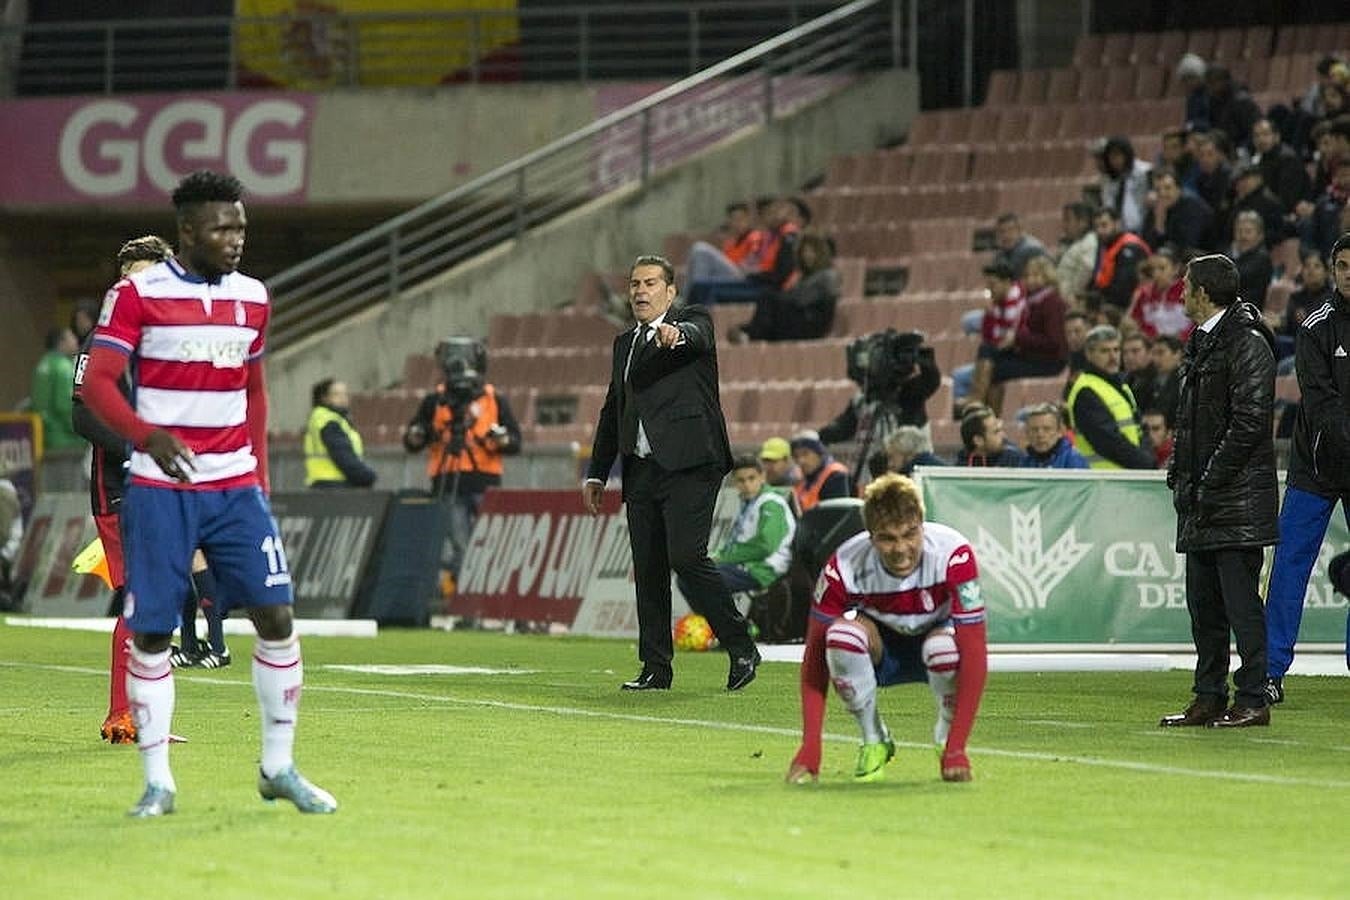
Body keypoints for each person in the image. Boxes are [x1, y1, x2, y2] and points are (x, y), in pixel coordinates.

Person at [81, 170, 336, 816]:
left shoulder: (253, 297)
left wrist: (260, 476)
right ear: (188, 231)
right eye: (223, 227)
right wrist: (146, 434)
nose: (236, 238)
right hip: (162, 490)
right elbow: (98, 385)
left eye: (242, 226)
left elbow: (253, 387)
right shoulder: (138, 296)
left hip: (234, 487)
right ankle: (158, 781)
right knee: (153, 632)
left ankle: (278, 767)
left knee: (276, 617)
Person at [582, 254, 759, 692]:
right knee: (648, 569)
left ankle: (741, 646)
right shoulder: (623, 343)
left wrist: (674, 335)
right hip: (641, 468)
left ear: (670, 291)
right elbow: (613, 410)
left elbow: (696, 338)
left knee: (686, 557)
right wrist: (597, 472)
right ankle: (656, 668)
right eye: (634, 283)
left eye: (649, 283)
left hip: (691, 463)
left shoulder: (692, 321)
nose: (640, 291)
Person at [785, 473, 987, 784]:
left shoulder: (954, 554)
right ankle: (873, 737)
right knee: (839, 636)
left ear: (922, 522)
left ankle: (947, 739)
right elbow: (814, 657)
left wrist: (960, 747)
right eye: (887, 538)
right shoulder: (843, 566)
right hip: (881, 649)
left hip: (936, 645)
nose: (901, 548)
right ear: (869, 535)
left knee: (944, 650)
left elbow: (974, 650)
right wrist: (810, 748)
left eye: (910, 534)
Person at [1161, 253, 1277, 728]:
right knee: (1205, 608)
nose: (1181, 293)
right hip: (1205, 501)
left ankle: (1252, 698)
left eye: (1186, 285)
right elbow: (1189, 421)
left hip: (1234, 499)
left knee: (1241, 605)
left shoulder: (1246, 344)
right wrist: (1180, 473)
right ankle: (1209, 695)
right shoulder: (1204, 342)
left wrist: (1209, 479)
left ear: (1204, 293)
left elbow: (1249, 422)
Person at [1264, 232, 1350, 703]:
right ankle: (1271, 671)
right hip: (1315, 467)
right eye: (1343, 266)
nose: (1349, 274)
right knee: (1290, 566)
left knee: (1292, 565)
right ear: (1333, 271)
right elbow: (1320, 403)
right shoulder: (1317, 326)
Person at [403, 338, 521, 583]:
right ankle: (464, 594)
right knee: (461, 546)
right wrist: (418, 436)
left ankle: (487, 591)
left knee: (489, 543)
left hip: (484, 482)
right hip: (448, 481)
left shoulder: (494, 399)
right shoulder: (434, 401)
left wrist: (501, 440)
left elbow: (516, 442)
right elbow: (413, 439)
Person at [678, 455, 795, 605]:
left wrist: (723, 558)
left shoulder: (771, 503)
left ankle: (721, 624)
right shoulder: (749, 503)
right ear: (735, 483)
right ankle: (715, 622)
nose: (747, 485)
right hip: (745, 565)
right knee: (688, 577)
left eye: (751, 478)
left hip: (764, 568)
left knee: (697, 580)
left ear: (762, 477)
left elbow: (765, 545)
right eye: (741, 480)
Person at [983, 255, 1069, 416]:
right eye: (1027, 276)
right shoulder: (1030, 301)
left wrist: (1018, 338)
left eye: (1036, 275)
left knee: (998, 370)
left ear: (1048, 277)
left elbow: (1054, 343)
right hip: (1031, 354)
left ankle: (992, 417)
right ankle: (979, 407)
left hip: (1050, 361)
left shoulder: (1053, 303)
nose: (1030, 280)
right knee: (988, 350)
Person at [1066, 325, 1155, 469]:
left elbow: (1139, 428)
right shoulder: (1086, 390)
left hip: (1129, 476)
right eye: (1104, 351)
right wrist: (1146, 464)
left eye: (1116, 350)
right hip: (1104, 480)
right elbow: (1107, 441)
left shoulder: (1122, 386)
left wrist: (1147, 459)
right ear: (1089, 354)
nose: (1113, 357)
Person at [730, 231, 839, 343]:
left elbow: (803, 300)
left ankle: (750, 334)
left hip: (810, 325)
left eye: (812, 251)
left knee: (768, 298)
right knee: (770, 309)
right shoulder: (804, 277)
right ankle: (748, 331)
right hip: (798, 319)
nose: (807, 255)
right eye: (805, 251)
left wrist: (782, 299)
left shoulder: (827, 275)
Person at [305, 377, 377, 488]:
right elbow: (343, 455)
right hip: (334, 485)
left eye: (345, 394)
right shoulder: (329, 421)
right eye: (337, 394)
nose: (343, 399)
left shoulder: (325, 418)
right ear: (325, 398)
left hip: (326, 484)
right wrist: (367, 477)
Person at [1090, 207, 1151, 314]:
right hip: (1109, 302)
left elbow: (1123, 289)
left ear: (1117, 223)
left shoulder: (1130, 247)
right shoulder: (1106, 245)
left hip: (1129, 307)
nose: (1099, 231)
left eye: (1104, 225)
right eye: (1096, 227)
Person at [31, 327, 82, 451]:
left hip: (43, 436)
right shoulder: (63, 367)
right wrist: (81, 431)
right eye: (72, 337)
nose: (76, 341)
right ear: (62, 342)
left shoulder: (43, 364)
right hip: (64, 440)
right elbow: (65, 405)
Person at [1096, 136, 1153, 235]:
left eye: (1118, 155)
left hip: (1143, 227)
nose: (1115, 160)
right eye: (1111, 157)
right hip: (1117, 231)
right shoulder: (1107, 179)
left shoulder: (1145, 171)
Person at [789, 431, 849, 513]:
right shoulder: (801, 480)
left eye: (805, 454)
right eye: (796, 456)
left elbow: (836, 514)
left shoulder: (836, 476)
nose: (801, 461)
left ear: (819, 453)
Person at [1019, 402, 1088, 468]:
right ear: (1027, 434)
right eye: (1034, 430)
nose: (1040, 435)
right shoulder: (1025, 461)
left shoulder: (1073, 459)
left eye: (1047, 429)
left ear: (1059, 432)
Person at [1056, 201, 1098, 307]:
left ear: (1083, 222)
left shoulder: (1090, 242)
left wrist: (1074, 294)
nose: (1064, 225)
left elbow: (1088, 268)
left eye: (1068, 220)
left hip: (1074, 303)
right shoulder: (1072, 243)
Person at [955, 406, 1025, 467]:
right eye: (996, 432)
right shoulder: (961, 465)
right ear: (978, 440)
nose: (1003, 435)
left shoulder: (1013, 458)